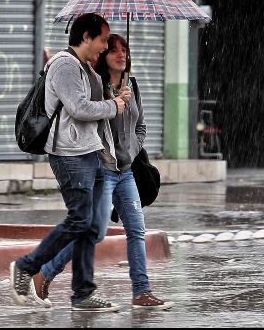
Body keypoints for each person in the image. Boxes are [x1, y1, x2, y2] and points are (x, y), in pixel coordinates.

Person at [30, 33, 172, 311]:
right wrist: (112, 104)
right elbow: (85, 121)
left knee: (136, 230)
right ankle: (44, 273)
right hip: (102, 170)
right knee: (93, 232)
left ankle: (141, 292)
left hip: (126, 171)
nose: (121, 55)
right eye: (114, 50)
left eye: (124, 50)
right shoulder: (95, 85)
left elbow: (140, 126)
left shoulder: (132, 85)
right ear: (103, 56)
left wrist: (130, 150)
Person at [10, 13, 130, 312]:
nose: (105, 47)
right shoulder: (65, 65)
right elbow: (79, 108)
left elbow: (91, 106)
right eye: (103, 40)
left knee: (89, 227)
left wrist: (114, 96)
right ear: (86, 37)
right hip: (70, 154)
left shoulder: (85, 67)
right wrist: (112, 106)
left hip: (92, 152)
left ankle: (83, 294)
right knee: (79, 220)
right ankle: (26, 266)